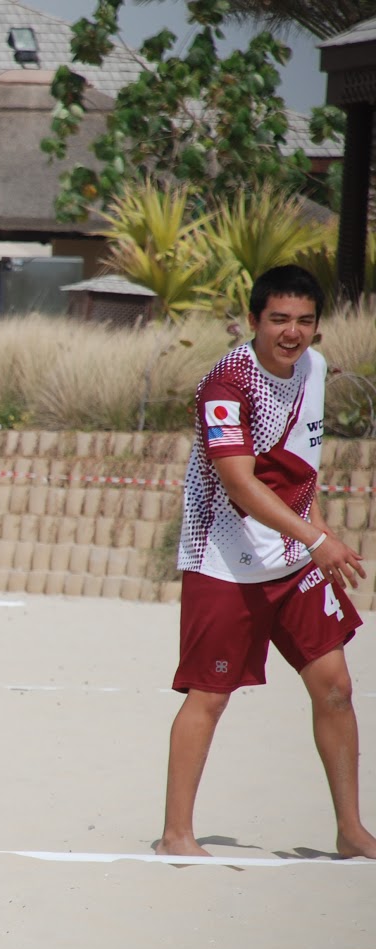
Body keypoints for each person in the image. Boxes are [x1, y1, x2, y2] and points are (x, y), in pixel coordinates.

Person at [157, 265, 374, 859]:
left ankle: (351, 831)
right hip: (225, 559)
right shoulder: (226, 384)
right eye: (278, 319)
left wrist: (317, 523)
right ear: (253, 321)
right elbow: (238, 482)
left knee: (335, 687)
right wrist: (315, 539)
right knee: (210, 695)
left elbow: (301, 458)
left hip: (295, 556)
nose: (292, 332)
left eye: (305, 321)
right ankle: (177, 836)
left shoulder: (315, 369)